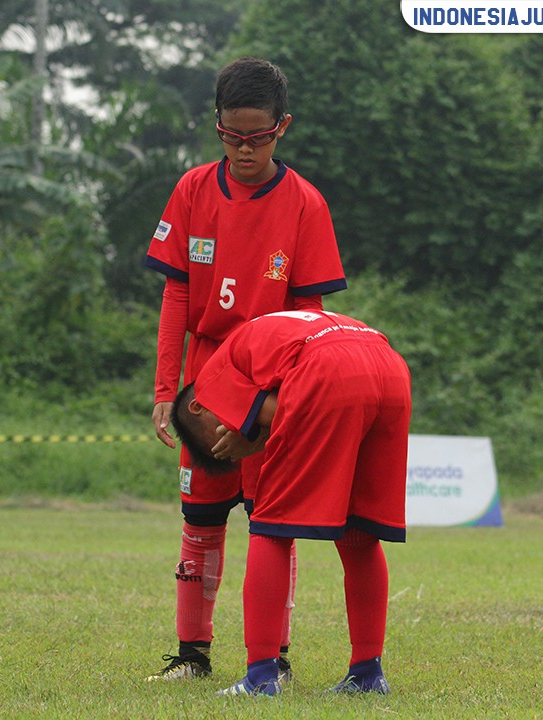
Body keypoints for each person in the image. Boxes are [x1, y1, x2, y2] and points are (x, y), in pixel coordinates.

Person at [145, 57, 347, 681]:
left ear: (282, 127)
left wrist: (272, 408)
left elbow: (307, 323)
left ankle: (273, 659)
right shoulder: (191, 189)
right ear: (218, 125)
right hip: (205, 386)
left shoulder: (306, 204)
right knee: (199, 522)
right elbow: (176, 296)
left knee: (271, 526)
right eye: (231, 135)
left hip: (269, 389)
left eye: (257, 137)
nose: (243, 149)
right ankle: (191, 656)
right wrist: (163, 391)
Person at [170, 310, 412, 697]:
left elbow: (288, 410)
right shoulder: (272, 332)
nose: (228, 438)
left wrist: (252, 438)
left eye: (219, 438)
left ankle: (261, 676)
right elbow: (297, 403)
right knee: (359, 531)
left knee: (270, 525)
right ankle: (367, 673)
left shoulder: (212, 377)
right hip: (389, 367)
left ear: (198, 408)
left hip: (330, 370)